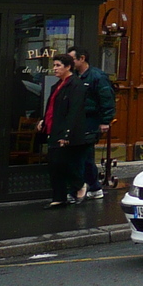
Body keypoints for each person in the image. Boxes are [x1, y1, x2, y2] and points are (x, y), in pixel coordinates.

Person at [42, 55, 90, 208]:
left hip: (67, 132)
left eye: (58, 65)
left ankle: (80, 185)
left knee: (62, 162)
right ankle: (59, 197)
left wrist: (66, 134)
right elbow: (51, 107)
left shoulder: (76, 85)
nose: (54, 68)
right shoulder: (57, 85)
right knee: (54, 164)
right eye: (54, 65)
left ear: (68, 67)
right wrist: (44, 121)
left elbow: (74, 111)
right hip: (54, 128)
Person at [67, 48, 113, 197]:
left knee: (84, 154)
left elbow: (107, 98)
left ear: (82, 58)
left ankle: (85, 187)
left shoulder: (97, 77)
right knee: (82, 155)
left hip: (90, 119)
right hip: (77, 120)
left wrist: (105, 120)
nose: (69, 63)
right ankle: (92, 186)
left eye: (72, 59)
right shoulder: (73, 76)